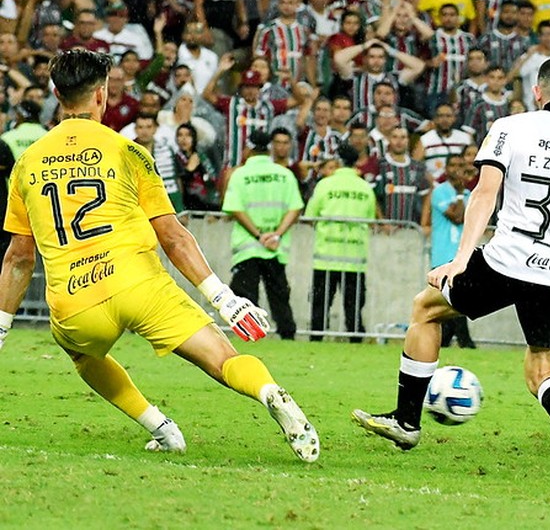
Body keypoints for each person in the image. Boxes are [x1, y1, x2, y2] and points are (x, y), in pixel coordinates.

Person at [0, 50, 318, 462]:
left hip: (76, 299)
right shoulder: (127, 151)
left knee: (81, 353)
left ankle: (160, 427)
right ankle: (267, 391)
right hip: (139, 283)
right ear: (102, 95)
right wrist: (222, 297)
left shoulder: (27, 162)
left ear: (57, 93)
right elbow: (173, 235)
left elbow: (18, 258)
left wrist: (3, 325)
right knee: (222, 360)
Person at [352, 57, 550, 464]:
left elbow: (485, 194)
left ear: (537, 92)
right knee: (544, 371)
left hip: (504, 262)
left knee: (425, 310)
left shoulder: (511, 127)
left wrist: (460, 259)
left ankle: (407, 421)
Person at [221, 130, 304, 341]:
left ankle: (249, 335)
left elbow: (235, 209)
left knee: (245, 295)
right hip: (275, 247)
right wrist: (276, 235)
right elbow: (295, 208)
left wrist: (259, 236)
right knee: (279, 295)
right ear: (269, 148)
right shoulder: (284, 174)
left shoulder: (240, 175)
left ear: (248, 149)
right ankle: (287, 335)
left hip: (248, 246)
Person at [305, 144, 376, 343]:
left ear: (338, 161)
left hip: (326, 256)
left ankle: (316, 338)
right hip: (354, 258)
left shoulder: (325, 185)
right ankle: (355, 340)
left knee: (320, 304)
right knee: (353, 306)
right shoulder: (364, 187)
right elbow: (370, 220)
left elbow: (310, 216)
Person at [427, 153, 477, 349]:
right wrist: (458, 192)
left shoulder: (469, 194)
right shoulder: (440, 192)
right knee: (452, 301)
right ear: (446, 169)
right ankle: (465, 342)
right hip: (443, 256)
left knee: (455, 301)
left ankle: (445, 341)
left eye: (461, 166)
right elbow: (456, 217)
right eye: (453, 166)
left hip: (461, 256)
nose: (457, 170)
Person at [0, 100, 46, 262]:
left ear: (20, 115)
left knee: (17, 252)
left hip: (15, 203)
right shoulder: (48, 136)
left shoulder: (7, 138)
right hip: (46, 201)